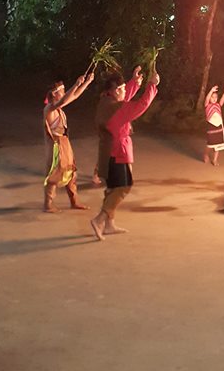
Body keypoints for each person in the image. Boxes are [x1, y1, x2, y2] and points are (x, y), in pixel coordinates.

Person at [90, 65, 159, 241]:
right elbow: (141, 105)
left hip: (106, 151)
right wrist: (152, 85)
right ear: (113, 91)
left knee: (112, 188)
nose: (124, 91)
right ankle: (99, 219)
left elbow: (123, 100)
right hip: (117, 152)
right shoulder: (116, 108)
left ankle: (109, 224)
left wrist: (134, 82)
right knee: (123, 186)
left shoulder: (106, 101)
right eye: (121, 89)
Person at [43, 72, 95, 212]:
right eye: (62, 91)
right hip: (56, 146)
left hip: (64, 143)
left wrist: (86, 82)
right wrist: (76, 84)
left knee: (71, 172)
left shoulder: (58, 107)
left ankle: (74, 201)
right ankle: (48, 204)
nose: (65, 93)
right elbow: (64, 100)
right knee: (54, 175)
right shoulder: (49, 109)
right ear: (54, 94)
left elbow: (74, 96)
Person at [204, 83, 224, 166]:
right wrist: (211, 90)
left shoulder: (218, 105)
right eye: (212, 97)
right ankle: (206, 154)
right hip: (211, 127)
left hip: (219, 127)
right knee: (210, 144)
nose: (214, 99)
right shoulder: (207, 105)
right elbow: (207, 98)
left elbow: (223, 98)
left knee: (219, 145)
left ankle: (215, 160)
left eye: (216, 97)